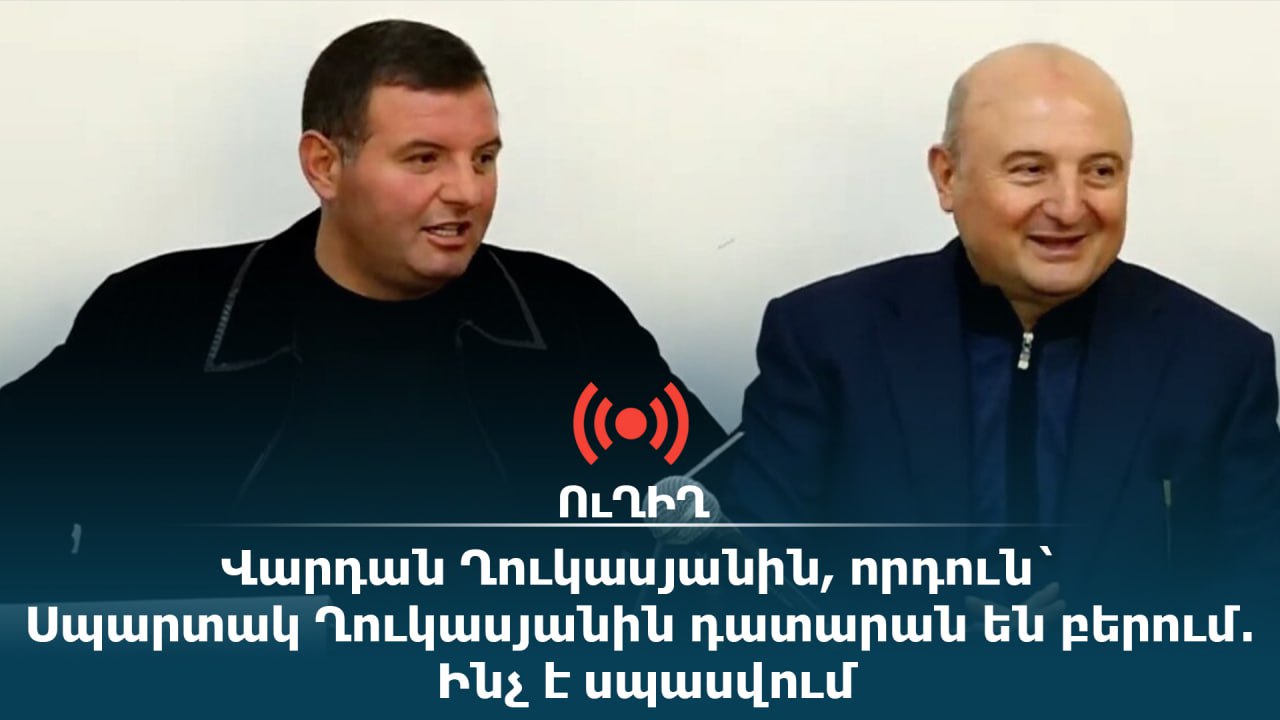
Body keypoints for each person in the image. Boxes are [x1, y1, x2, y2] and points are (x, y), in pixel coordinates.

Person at [0, 20, 728, 599]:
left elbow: (715, 522)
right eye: (424, 158)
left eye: (483, 157)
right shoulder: (161, 320)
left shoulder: (571, 319)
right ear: (324, 165)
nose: (468, 192)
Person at [722, 43, 1280, 613]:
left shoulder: (1221, 363)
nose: (1069, 207)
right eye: (1030, 170)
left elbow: (1257, 606)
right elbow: (758, 586)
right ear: (947, 177)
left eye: (1100, 171)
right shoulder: (825, 341)